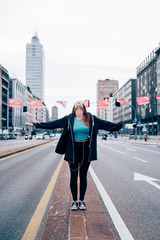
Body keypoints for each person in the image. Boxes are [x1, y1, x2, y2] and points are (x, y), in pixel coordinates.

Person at [33, 102, 123, 211]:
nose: (79, 103)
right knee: (74, 175)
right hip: (73, 150)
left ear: (84, 108)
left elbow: (106, 124)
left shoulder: (91, 118)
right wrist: (38, 124)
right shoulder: (69, 119)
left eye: (81, 103)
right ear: (74, 108)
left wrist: (118, 126)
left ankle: (82, 200)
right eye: (76, 103)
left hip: (86, 149)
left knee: (83, 175)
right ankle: (75, 201)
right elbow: (53, 124)